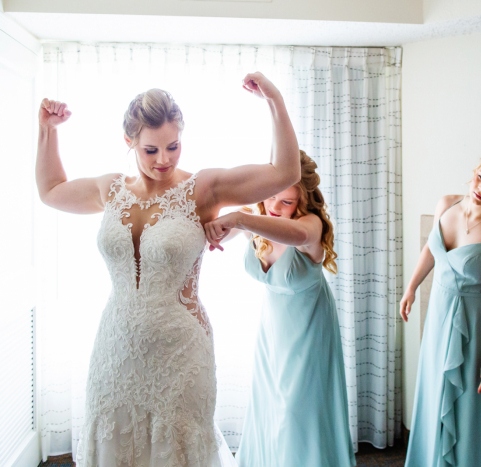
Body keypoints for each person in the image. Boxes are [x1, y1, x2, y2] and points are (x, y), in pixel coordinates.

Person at [35, 72, 301, 467]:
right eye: (150, 150)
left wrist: (275, 100)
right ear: (129, 143)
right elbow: (52, 190)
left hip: (180, 353)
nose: (164, 160)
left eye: (173, 146)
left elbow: (285, 173)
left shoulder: (203, 188)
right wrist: (47, 132)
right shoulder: (110, 189)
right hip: (115, 350)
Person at [204, 150, 355, 467]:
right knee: (270, 406)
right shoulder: (258, 216)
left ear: (302, 202)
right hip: (273, 331)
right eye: (271, 196)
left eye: (286, 202)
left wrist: (242, 219)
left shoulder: (310, 225)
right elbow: (216, 230)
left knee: (297, 412)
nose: (274, 207)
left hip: (310, 331)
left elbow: (299, 236)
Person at [401, 148, 481, 467]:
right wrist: (412, 287)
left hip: (479, 328)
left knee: (472, 408)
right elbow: (431, 250)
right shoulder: (447, 204)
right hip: (440, 318)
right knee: (435, 396)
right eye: (480, 176)